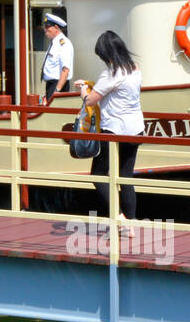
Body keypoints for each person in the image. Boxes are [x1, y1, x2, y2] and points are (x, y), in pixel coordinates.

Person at [74, 30, 144, 232]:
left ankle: (119, 216)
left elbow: (90, 100)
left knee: (97, 174)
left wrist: (84, 90)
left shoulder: (111, 73)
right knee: (125, 176)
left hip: (115, 130)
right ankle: (130, 222)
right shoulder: (135, 69)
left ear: (107, 54)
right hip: (136, 128)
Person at [40, 13, 74, 105]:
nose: (45, 30)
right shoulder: (54, 43)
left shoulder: (63, 44)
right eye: (44, 27)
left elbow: (65, 70)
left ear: (56, 27)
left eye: (47, 27)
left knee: (54, 116)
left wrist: (57, 91)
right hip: (51, 86)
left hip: (58, 86)